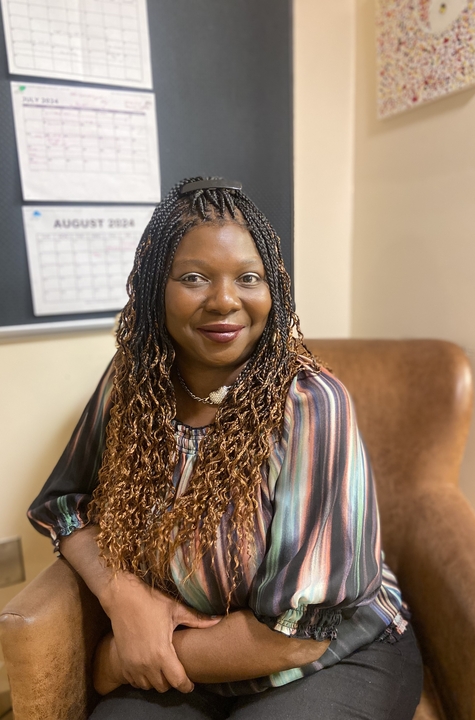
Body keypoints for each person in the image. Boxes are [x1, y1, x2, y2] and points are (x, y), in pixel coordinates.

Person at [28, 177, 423, 720]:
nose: (224, 300)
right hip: (188, 646)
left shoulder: (311, 403)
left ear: (273, 291)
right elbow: (64, 507)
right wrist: (124, 597)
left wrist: (124, 658)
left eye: (248, 278)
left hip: (333, 654)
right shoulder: (132, 382)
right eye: (194, 277)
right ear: (153, 289)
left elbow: (299, 636)